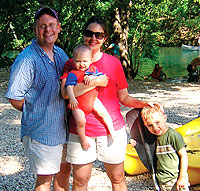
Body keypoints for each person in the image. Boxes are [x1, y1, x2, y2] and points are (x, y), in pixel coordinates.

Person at [61, 16, 157, 191]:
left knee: (118, 178)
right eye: (89, 33)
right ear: (83, 35)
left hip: (112, 130)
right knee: (80, 181)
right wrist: (96, 83)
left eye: (99, 34)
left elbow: (124, 98)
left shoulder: (113, 63)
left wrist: (144, 103)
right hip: (81, 131)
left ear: (105, 38)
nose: (93, 38)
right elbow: (65, 94)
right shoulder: (72, 62)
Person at [5, 7, 71, 191]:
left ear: (58, 28)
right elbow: (15, 97)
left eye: (51, 25)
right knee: (44, 182)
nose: (47, 30)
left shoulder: (60, 54)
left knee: (64, 173)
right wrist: (36, 109)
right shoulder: (27, 59)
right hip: (42, 132)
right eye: (42, 26)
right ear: (35, 30)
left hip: (64, 129)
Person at [62, 44, 115, 150]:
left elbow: (103, 78)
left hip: (92, 99)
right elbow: (68, 88)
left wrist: (92, 77)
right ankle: (83, 139)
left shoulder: (92, 70)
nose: (81, 64)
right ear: (73, 61)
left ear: (91, 60)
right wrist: (72, 98)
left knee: (104, 113)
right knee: (81, 121)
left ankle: (112, 131)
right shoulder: (73, 74)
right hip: (78, 104)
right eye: (78, 61)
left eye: (85, 61)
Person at [130, 105, 190, 191]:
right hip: (163, 180)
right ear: (145, 126)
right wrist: (137, 145)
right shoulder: (155, 138)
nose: (155, 128)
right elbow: (149, 152)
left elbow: (184, 156)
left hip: (175, 179)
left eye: (157, 122)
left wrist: (182, 177)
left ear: (164, 118)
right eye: (150, 125)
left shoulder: (173, 136)